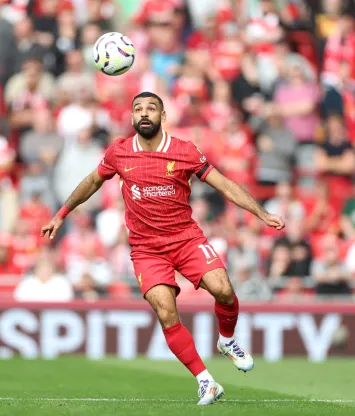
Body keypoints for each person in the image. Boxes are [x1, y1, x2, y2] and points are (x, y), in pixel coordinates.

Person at [40, 92, 285, 406]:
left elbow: (223, 184)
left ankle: (227, 340)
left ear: (163, 116)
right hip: (146, 249)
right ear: (132, 118)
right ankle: (206, 381)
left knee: (224, 290)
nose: (144, 114)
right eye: (138, 109)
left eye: (151, 108)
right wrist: (61, 214)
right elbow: (92, 181)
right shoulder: (120, 152)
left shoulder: (184, 151)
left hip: (185, 239)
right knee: (166, 311)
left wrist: (260, 213)